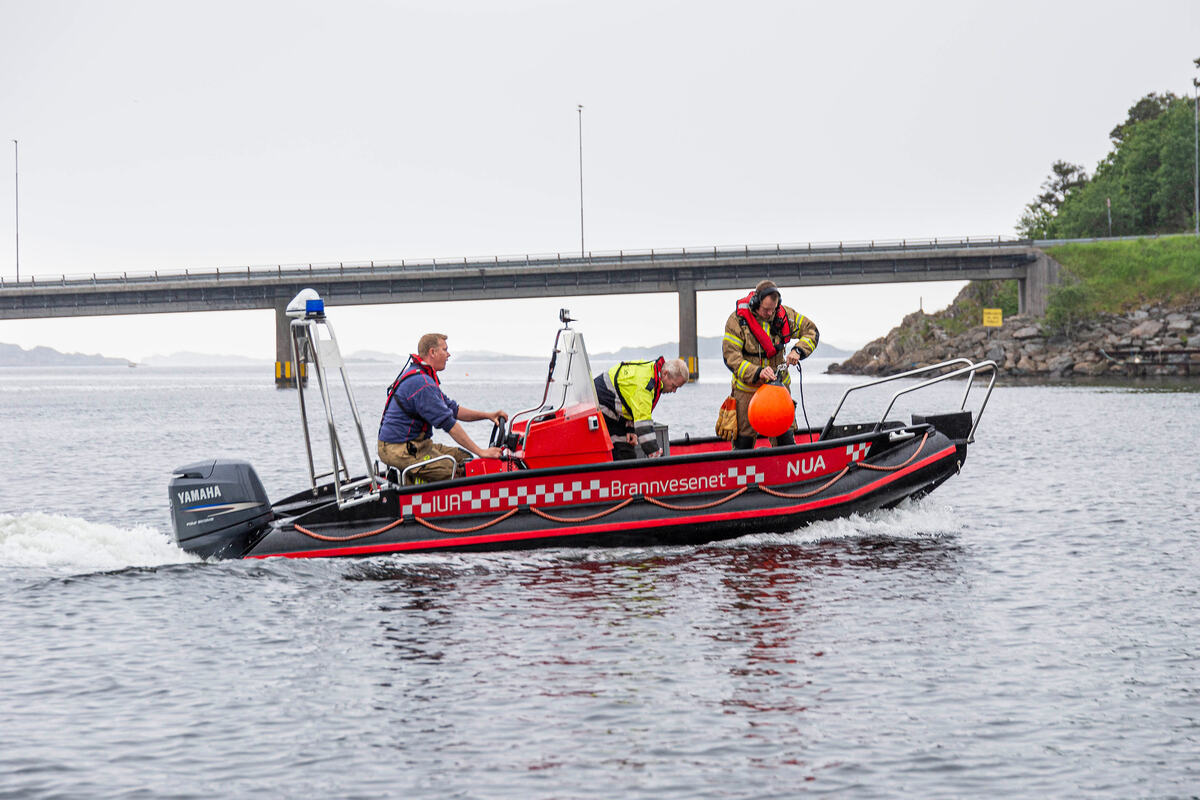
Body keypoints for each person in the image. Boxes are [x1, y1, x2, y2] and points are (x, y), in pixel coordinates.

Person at [377, 333, 507, 482]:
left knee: (463, 458)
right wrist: (481, 452)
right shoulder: (422, 384)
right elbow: (449, 424)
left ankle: (414, 479)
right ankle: (414, 488)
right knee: (453, 470)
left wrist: (488, 415)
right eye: (445, 350)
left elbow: (453, 409)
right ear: (432, 352)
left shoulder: (423, 377)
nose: (448, 354)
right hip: (400, 450)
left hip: (416, 445)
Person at [722, 280, 819, 450]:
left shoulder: (785, 315)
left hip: (778, 390)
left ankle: (787, 472)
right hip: (747, 389)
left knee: (785, 438)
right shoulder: (738, 321)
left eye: (773, 309)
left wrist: (798, 351)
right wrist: (757, 372)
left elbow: (812, 331)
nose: (769, 313)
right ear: (755, 303)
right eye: (766, 309)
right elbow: (731, 357)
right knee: (743, 441)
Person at [593, 357, 689, 459]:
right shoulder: (646, 385)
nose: (674, 391)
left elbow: (629, 402)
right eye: (674, 386)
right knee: (624, 457)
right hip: (601, 408)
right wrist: (655, 455)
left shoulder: (652, 374)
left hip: (612, 411)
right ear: (665, 374)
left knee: (626, 455)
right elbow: (643, 426)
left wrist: (630, 428)